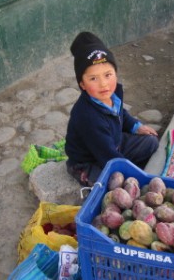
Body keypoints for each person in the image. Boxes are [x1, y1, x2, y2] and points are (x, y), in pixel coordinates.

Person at [65, 32, 159, 186]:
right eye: (93, 78)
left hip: (114, 143)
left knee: (151, 142)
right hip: (89, 160)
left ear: (115, 74)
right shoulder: (87, 116)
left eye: (108, 75)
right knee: (114, 184)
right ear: (82, 84)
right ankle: (87, 174)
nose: (103, 84)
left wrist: (136, 127)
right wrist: (137, 176)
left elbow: (121, 114)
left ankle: (127, 164)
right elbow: (108, 156)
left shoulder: (114, 93)